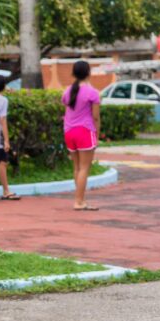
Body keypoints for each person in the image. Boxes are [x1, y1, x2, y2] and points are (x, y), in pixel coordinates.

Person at [62, 60, 101, 211]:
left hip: (69, 132)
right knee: (84, 168)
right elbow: (95, 117)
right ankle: (79, 202)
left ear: (74, 73)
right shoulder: (92, 92)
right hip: (84, 131)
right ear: (88, 73)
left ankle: (80, 199)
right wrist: (97, 135)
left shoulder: (67, 91)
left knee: (77, 168)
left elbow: (67, 110)